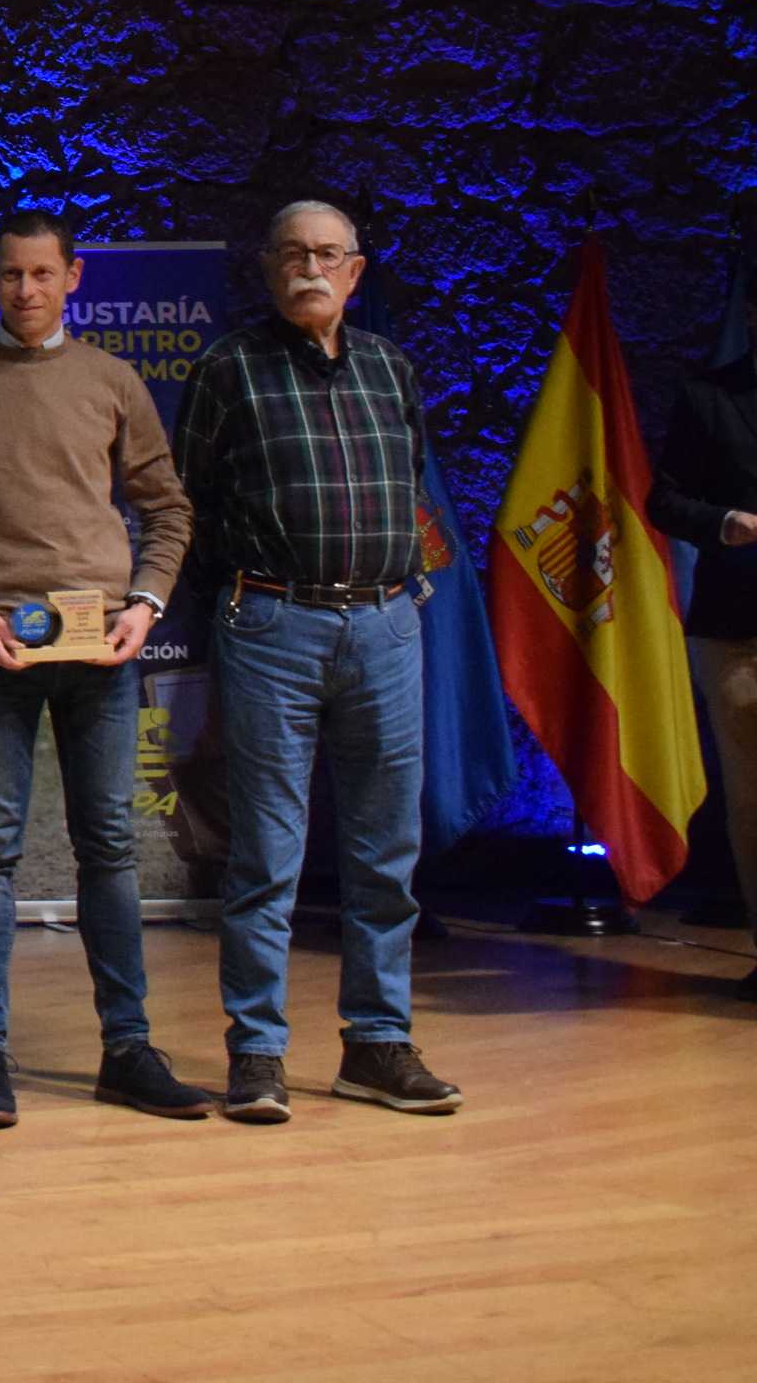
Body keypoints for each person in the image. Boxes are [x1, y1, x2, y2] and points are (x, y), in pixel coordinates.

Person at [0, 208, 211, 1128]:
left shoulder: (113, 381)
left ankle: (128, 1049)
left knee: (108, 846)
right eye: (8, 276)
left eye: (40, 274)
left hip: (100, 650)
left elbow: (167, 507)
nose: (23, 291)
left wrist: (145, 604)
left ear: (74, 276)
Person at [174, 200, 463, 1118]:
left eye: (329, 254)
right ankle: (256, 1050)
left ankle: (377, 1044)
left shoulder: (391, 369)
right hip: (273, 627)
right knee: (267, 852)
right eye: (294, 252)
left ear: (356, 272)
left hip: (386, 627)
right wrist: (250, 591)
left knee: (387, 850)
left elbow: (411, 483)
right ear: (267, 267)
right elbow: (190, 503)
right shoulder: (229, 369)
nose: (311, 267)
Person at [649, 262, 757, 1001]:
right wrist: (724, 524)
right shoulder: (709, 398)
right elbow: (665, 500)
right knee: (752, 802)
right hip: (738, 629)